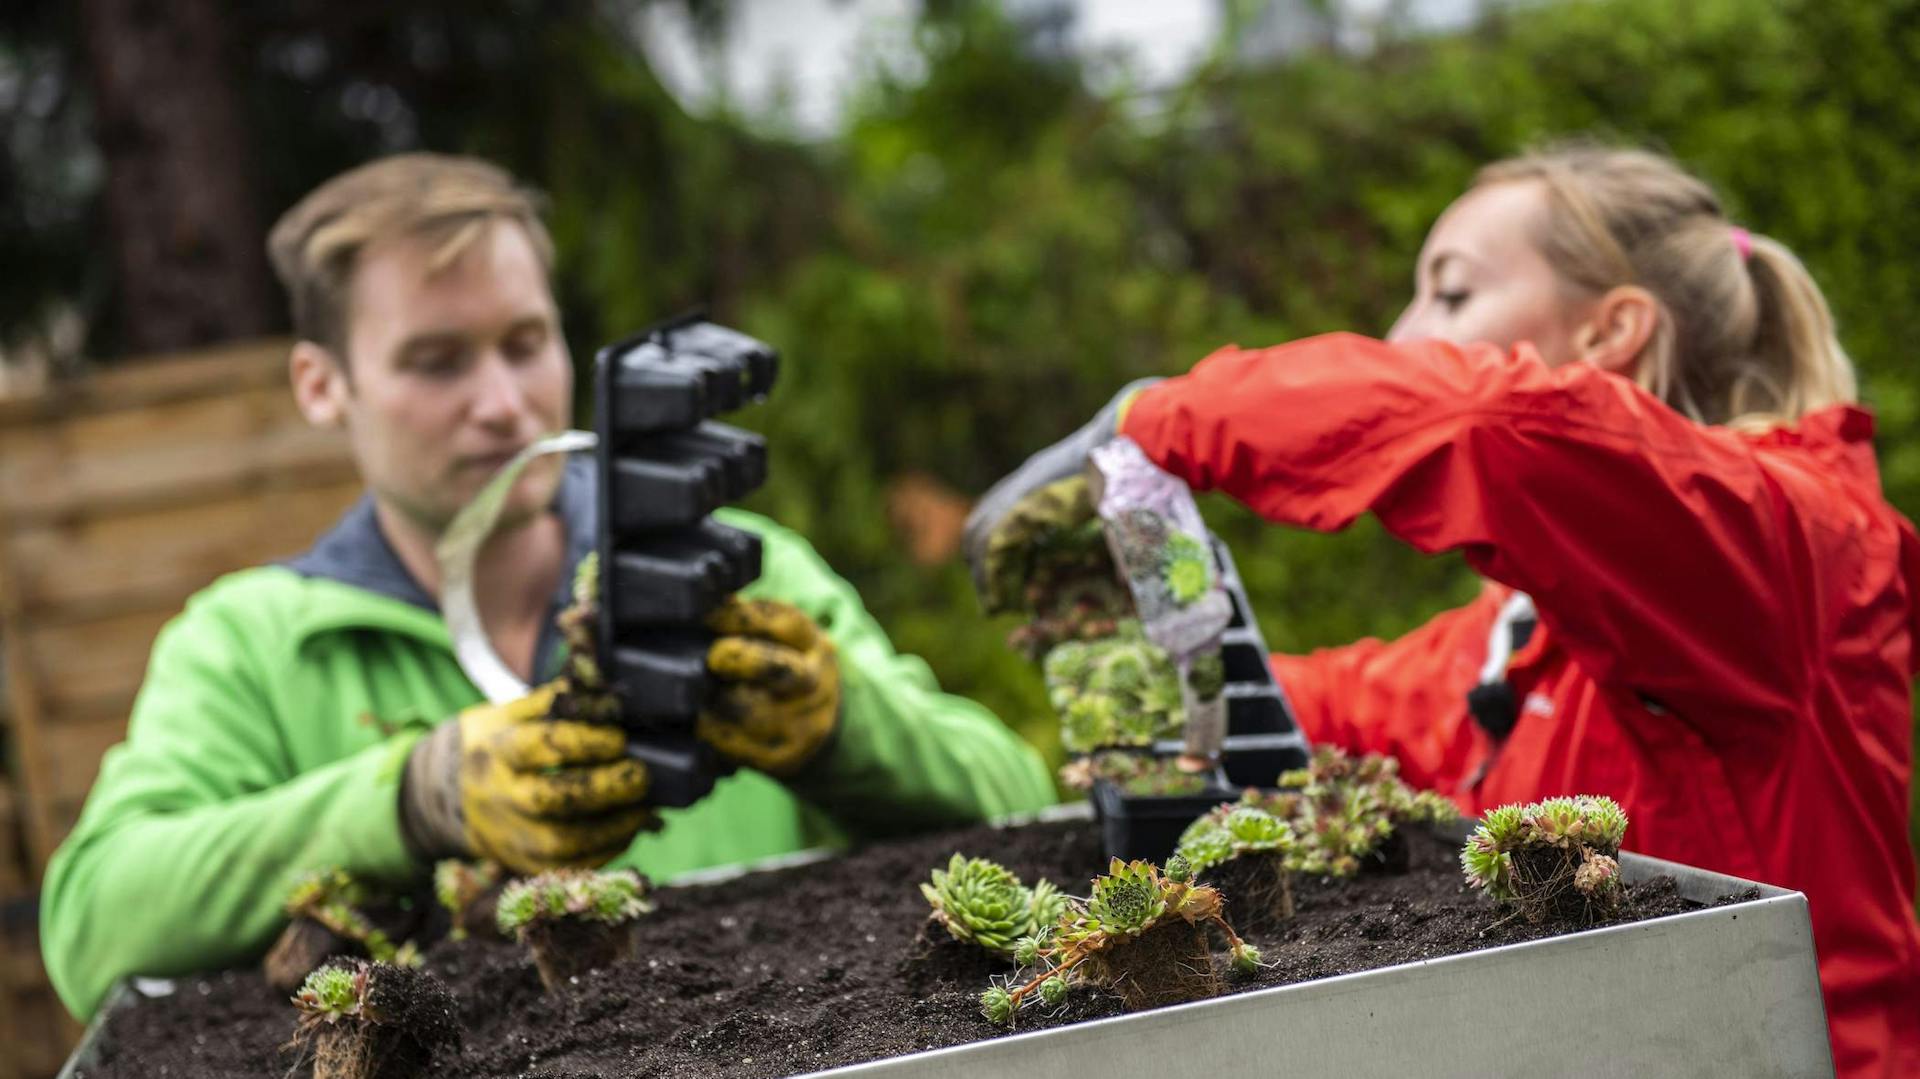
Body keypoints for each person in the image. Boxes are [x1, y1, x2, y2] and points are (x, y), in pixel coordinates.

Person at [966, 144, 1920, 1078]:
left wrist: (1152, 424)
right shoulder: (1527, 637)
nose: (1400, 333)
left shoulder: (1787, 553)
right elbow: (1368, 708)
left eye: (1452, 293)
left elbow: (1491, 424)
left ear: (1607, 332)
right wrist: (1148, 647)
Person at [41, 154, 1056, 1020]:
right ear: (322, 383)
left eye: (526, 343)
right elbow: (92, 924)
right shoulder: (253, 643)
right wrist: (407, 797)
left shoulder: (740, 569)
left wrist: (843, 728)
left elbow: (1019, 806)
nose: (501, 402)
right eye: (435, 362)